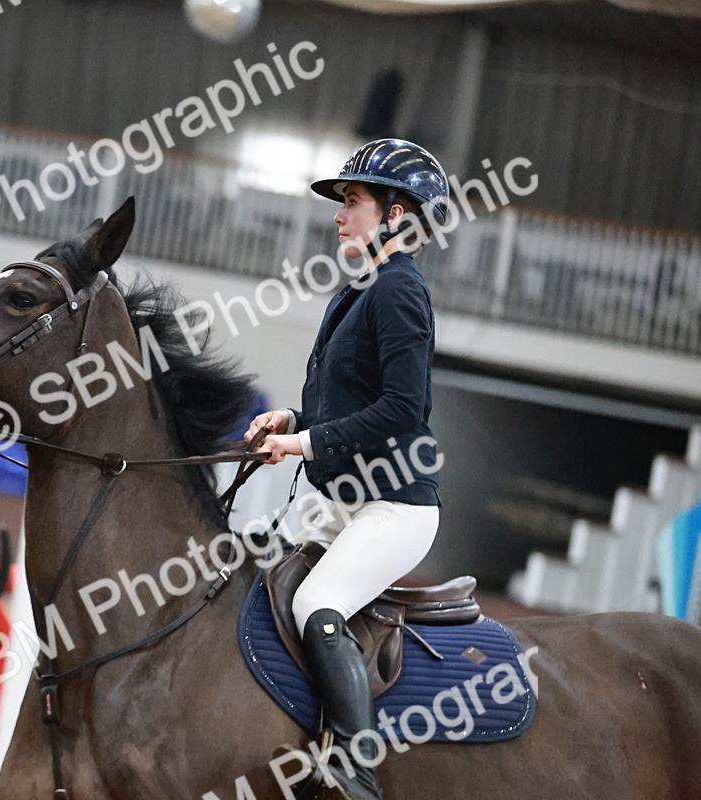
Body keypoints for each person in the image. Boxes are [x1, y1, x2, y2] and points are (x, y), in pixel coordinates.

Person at [245, 138, 449, 800]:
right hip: (342, 503)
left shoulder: (399, 291)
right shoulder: (361, 288)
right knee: (261, 593)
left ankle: (357, 771)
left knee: (315, 602)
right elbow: (344, 403)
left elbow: (402, 410)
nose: (339, 215)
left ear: (398, 214)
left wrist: (303, 449)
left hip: (393, 510)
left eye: (353, 201)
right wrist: (290, 423)